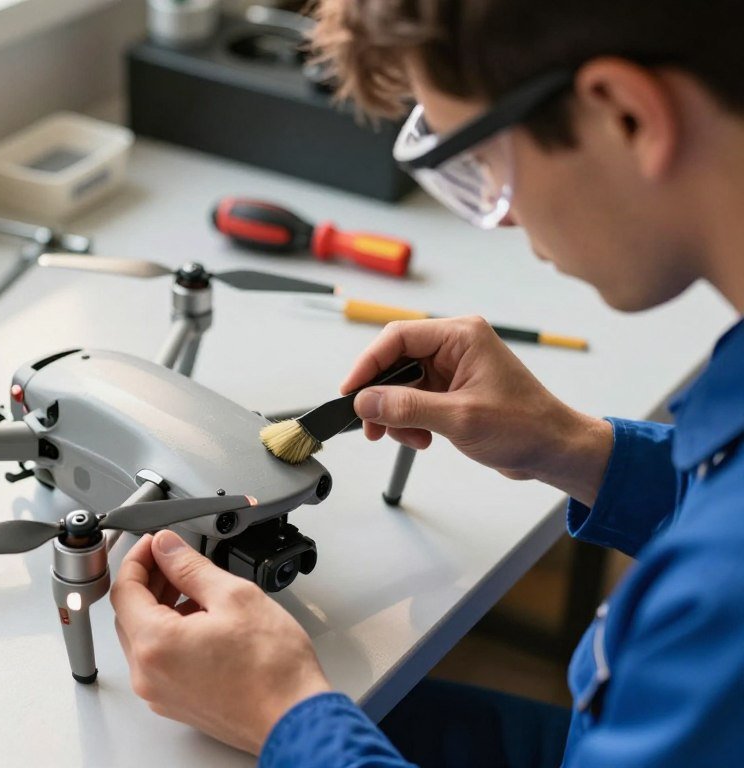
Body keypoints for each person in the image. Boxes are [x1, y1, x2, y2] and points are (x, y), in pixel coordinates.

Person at [109, 0, 744, 765]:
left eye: (483, 163)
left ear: (626, 116)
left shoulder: (718, 604)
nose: (501, 219)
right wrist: (575, 448)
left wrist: (286, 718)